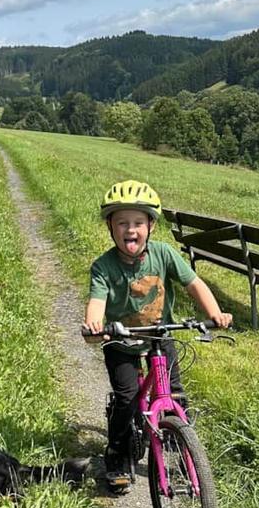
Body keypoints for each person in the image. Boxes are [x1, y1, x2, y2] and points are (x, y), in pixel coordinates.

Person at [81, 180, 231, 491]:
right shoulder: (103, 266)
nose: (130, 229)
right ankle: (118, 454)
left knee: (174, 392)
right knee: (127, 399)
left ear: (151, 226)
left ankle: (179, 441)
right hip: (121, 340)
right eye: (122, 222)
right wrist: (96, 325)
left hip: (161, 336)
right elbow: (97, 302)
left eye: (138, 222)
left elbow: (194, 284)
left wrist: (214, 313)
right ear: (110, 227)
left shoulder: (164, 254)